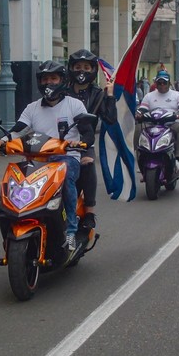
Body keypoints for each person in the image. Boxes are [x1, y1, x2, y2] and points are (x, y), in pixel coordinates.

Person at [0, 60, 90, 251]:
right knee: (14, 181)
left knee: (67, 175)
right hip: (37, 161)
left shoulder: (74, 105)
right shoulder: (32, 107)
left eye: (53, 78)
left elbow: (87, 131)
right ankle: (15, 224)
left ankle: (70, 230)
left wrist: (80, 142)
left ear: (62, 80)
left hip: (66, 158)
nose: (49, 83)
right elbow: (18, 129)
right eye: (45, 79)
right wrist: (2, 141)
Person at [65, 49, 116, 231]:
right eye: (78, 67)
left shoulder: (98, 94)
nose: (82, 71)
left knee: (88, 165)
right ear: (71, 68)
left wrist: (110, 95)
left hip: (84, 145)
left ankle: (89, 212)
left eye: (87, 67)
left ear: (93, 70)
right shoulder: (61, 91)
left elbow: (110, 119)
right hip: (57, 144)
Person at [136, 71, 179, 167]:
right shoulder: (149, 96)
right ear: (156, 83)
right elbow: (142, 110)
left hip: (171, 123)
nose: (162, 85)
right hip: (152, 123)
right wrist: (138, 114)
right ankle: (140, 158)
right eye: (159, 83)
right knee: (138, 128)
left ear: (169, 83)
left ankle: (178, 159)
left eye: (164, 83)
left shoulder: (177, 95)